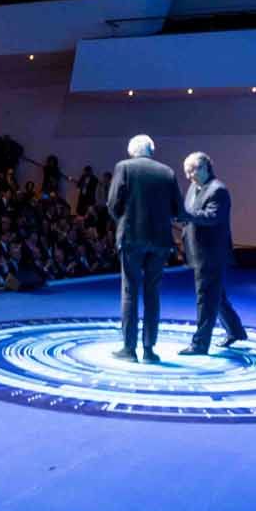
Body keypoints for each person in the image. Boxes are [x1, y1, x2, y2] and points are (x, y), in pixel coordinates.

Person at [107, 133, 182, 363]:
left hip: (131, 238)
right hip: (160, 241)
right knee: (153, 293)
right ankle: (149, 350)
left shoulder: (124, 168)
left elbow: (112, 203)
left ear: (132, 151)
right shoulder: (167, 172)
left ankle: (129, 349)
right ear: (152, 149)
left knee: (129, 292)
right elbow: (177, 209)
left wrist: (123, 221)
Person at [177, 151, 247, 354]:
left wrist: (185, 215)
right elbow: (190, 212)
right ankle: (235, 331)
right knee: (216, 296)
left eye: (192, 170)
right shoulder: (193, 187)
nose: (189, 175)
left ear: (206, 167)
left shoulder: (218, 190)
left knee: (206, 297)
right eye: (186, 171)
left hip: (211, 253)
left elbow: (212, 217)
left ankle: (200, 344)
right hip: (197, 252)